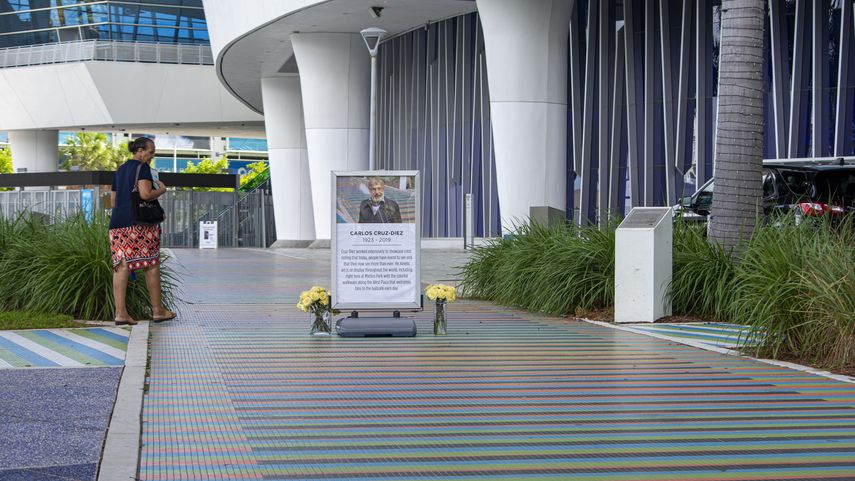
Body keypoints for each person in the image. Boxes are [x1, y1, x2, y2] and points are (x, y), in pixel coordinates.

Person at [109, 137, 176, 325]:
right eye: (150, 151)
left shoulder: (121, 170)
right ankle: (158, 311)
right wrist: (161, 190)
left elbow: (113, 201)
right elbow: (145, 194)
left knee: (121, 266)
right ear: (140, 150)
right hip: (139, 224)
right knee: (151, 264)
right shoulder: (143, 168)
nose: (151, 155)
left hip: (117, 225)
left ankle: (120, 313)